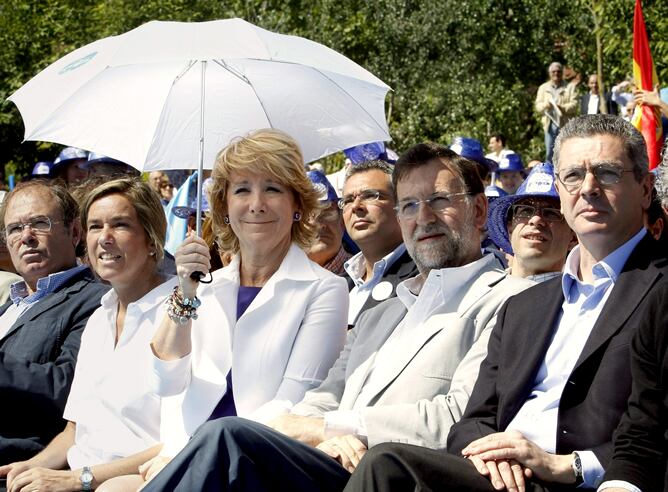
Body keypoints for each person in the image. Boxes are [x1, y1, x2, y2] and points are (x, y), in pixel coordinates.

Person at [137, 142, 533, 492]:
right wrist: (316, 433)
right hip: (327, 460)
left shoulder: (508, 300)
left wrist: (331, 428)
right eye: (409, 205)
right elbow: (324, 394)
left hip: (391, 470)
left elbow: (460, 416)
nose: (423, 217)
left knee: (227, 438)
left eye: (439, 200)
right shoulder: (386, 308)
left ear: (479, 210)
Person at [344, 114, 668, 491]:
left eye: (608, 173)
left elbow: (651, 433)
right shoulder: (525, 305)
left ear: (646, 189)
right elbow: (473, 419)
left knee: (386, 466)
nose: (589, 188)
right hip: (499, 477)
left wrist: (570, 465)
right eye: (574, 177)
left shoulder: (660, 287)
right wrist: (490, 457)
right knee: (387, 466)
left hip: (589, 480)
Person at [106, 129, 348, 490]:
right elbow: (166, 384)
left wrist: (192, 457)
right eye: (242, 189)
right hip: (184, 456)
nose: (256, 203)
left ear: (298, 205)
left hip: (255, 462)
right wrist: (186, 292)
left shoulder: (325, 289)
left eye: (273, 188)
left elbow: (294, 402)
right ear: (224, 207)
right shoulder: (204, 288)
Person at [0, 178, 174, 491]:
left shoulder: (179, 313)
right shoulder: (101, 316)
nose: (105, 238)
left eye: (119, 225)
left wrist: (75, 479)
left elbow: (180, 439)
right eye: (96, 226)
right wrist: (29, 468)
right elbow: (76, 428)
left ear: (151, 238)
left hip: (125, 480)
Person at [0, 181, 108, 464]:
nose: (26, 237)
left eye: (39, 223)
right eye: (14, 229)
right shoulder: (9, 306)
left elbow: (69, 388)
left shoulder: (98, 301)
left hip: (25, 463)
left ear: (74, 232)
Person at [340, 160, 417, 327]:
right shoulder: (338, 285)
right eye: (347, 200)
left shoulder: (423, 276)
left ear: (401, 204)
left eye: (369, 196)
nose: (356, 206)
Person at [488, 162, 575, 281]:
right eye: (525, 211)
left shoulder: (582, 298)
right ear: (510, 229)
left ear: (573, 237)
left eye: (551, 213)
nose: (535, 219)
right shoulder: (478, 291)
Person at [306, 170, 351, 275]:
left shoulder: (366, 276)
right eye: (306, 216)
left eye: (327, 214)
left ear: (342, 222)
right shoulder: (275, 280)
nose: (319, 224)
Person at [535, 62, 578, 162]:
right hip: (549, 124)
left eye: (558, 71)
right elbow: (538, 106)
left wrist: (561, 107)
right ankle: (550, 175)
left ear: (562, 72)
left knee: (566, 150)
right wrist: (547, 105)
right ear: (549, 73)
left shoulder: (570, 87)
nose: (556, 73)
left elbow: (574, 105)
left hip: (566, 124)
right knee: (550, 152)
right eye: (553, 71)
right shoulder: (543, 88)